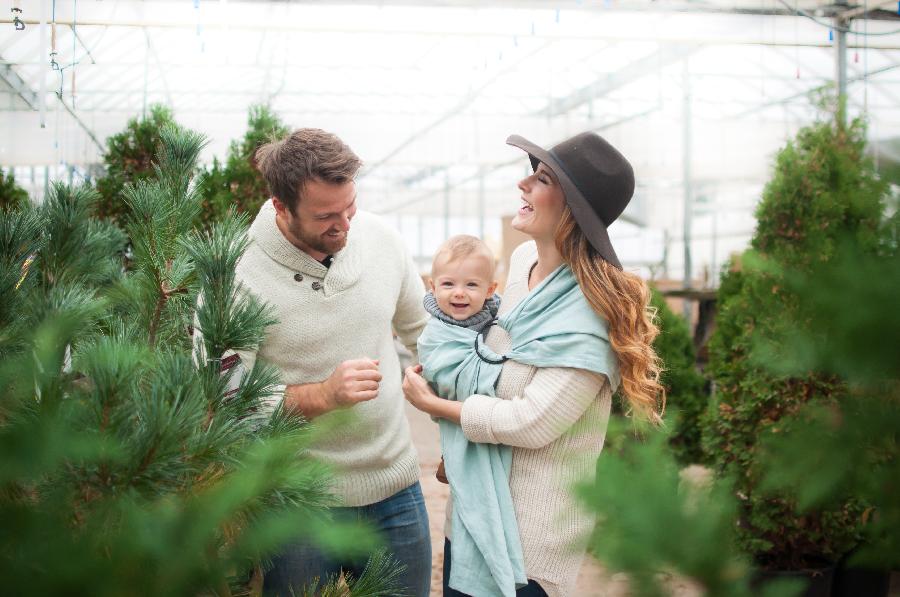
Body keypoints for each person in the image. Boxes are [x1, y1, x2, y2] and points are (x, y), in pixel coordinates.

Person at [402, 131, 665, 597]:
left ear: (572, 209)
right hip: (474, 511)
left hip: (529, 542)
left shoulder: (588, 315)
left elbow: (532, 421)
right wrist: (463, 453)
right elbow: (497, 365)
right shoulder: (522, 263)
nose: (524, 185)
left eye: (541, 178)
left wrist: (437, 406)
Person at [198, 128, 432, 596]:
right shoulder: (235, 276)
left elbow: (426, 333)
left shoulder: (382, 241)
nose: (344, 225)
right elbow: (222, 398)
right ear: (281, 207)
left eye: (350, 207)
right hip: (296, 502)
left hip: (396, 488)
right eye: (326, 216)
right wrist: (322, 395)